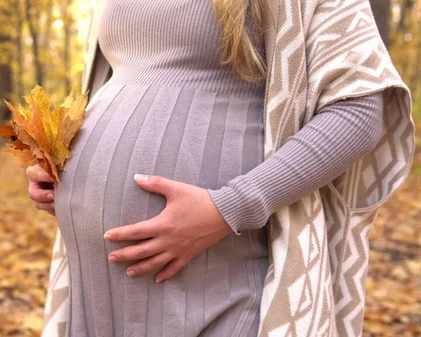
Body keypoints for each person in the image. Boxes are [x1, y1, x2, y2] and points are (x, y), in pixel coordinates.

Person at [26, 0, 414, 336]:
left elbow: (359, 110)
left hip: (226, 271)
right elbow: (124, 82)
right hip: (98, 290)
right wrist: (62, 162)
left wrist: (229, 208)